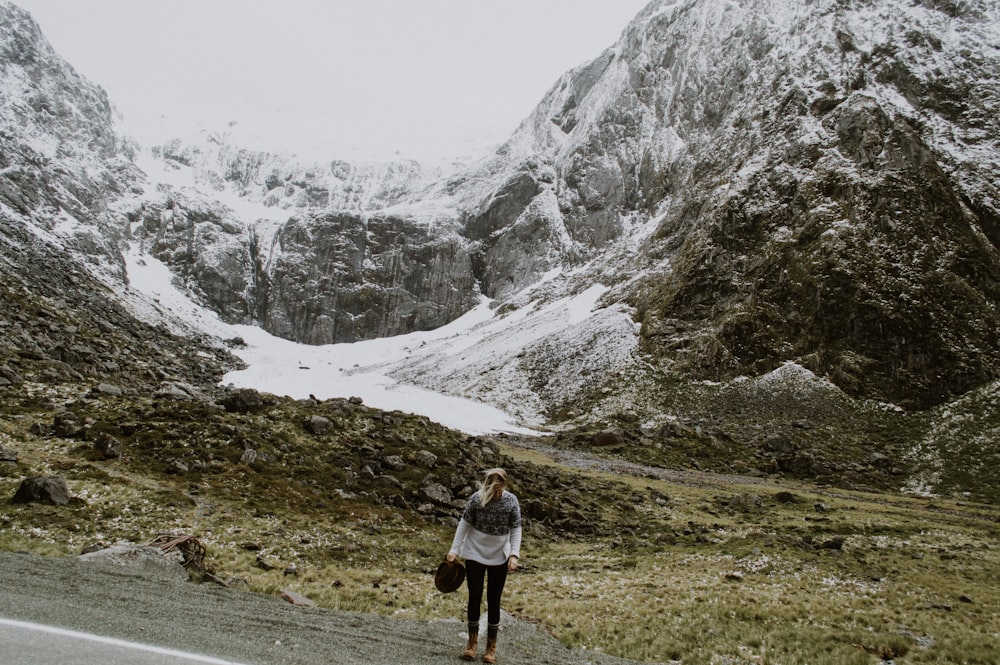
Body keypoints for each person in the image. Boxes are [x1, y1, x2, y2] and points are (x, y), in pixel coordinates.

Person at [447, 467, 522, 663]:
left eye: (499, 489)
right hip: (474, 552)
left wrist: (514, 555)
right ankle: (471, 644)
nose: (496, 493)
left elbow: (516, 529)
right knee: (474, 596)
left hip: (499, 555)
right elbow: (464, 524)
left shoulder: (511, 501)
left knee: (494, 599)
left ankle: (491, 647)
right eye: (493, 489)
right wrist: (454, 550)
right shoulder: (476, 499)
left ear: (504, 485)